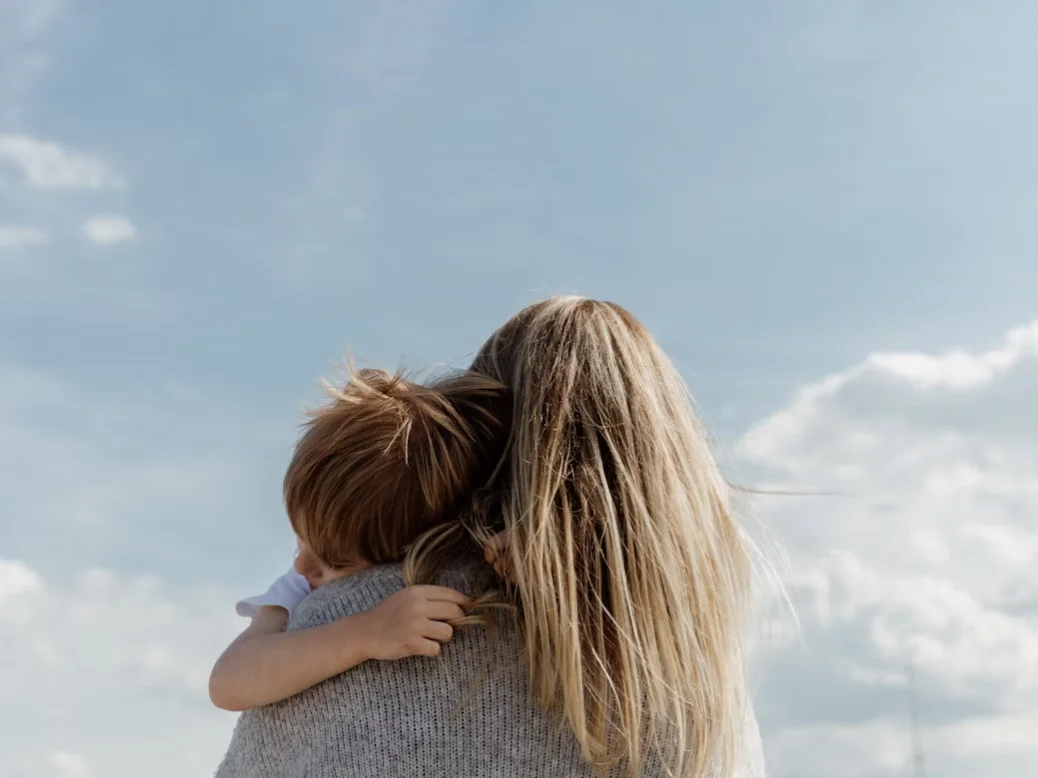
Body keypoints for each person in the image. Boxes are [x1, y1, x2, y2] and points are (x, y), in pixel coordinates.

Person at [215, 296, 765, 778]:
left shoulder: (361, 614)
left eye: (329, 553)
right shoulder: (695, 672)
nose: (304, 566)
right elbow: (232, 678)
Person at [208, 368, 507, 712]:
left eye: (333, 561)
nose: (300, 565)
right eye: (300, 539)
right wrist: (363, 634)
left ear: (404, 549)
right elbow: (228, 682)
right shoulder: (298, 588)